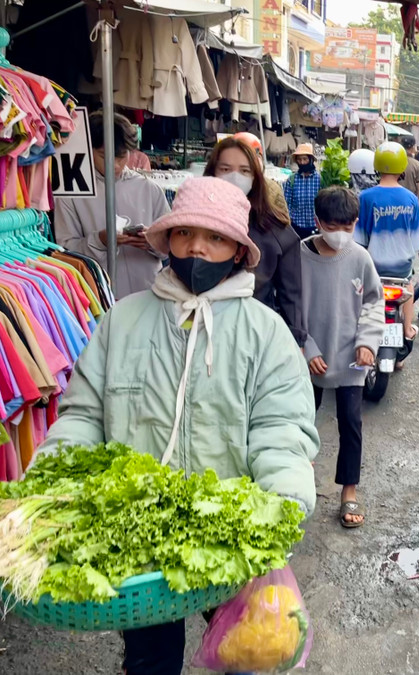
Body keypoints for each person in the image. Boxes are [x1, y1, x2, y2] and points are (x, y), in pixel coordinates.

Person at [38, 176, 319, 675]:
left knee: (247, 657)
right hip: (140, 546)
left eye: (214, 238)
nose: (197, 248)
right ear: (167, 240)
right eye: (185, 233)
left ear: (237, 251)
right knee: (149, 663)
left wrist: (284, 499)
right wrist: (52, 480)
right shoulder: (120, 322)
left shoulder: (266, 333)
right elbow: (83, 415)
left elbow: (281, 428)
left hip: (229, 543)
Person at [302, 186, 384, 528]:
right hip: (309, 358)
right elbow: (286, 307)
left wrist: (367, 342)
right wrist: (306, 347)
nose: (340, 234)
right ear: (318, 221)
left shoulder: (360, 257)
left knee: (352, 424)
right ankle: (296, 486)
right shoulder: (298, 256)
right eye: (333, 226)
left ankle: (349, 492)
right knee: (299, 424)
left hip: (351, 358)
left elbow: (373, 302)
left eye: (348, 227)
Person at [55, 111, 170, 297]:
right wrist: (100, 240)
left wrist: (152, 241)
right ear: (88, 149)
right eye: (104, 155)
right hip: (97, 297)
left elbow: (171, 247)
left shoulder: (150, 189)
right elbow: (66, 251)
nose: (115, 165)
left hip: (149, 294)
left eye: (122, 156)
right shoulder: (71, 194)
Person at [204, 137, 305, 347]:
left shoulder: (276, 233)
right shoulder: (194, 223)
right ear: (212, 172)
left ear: (256, 177)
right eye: (225, 168)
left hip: (253, 339)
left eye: (244, 170)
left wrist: (296, 344)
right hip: (199, 332)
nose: (234, 176)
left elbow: (291, 298)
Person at [355, 141, 419, 344]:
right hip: (401, 268)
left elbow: (359, 239)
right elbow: (416, 240)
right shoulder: (411, 198)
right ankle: (408, 328)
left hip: (374, 267)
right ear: (402, 166)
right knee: (408, 285)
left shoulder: (365, 197)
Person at [284, 143, 322, 239]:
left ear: (311, 160)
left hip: (315, 227)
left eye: (305, 159)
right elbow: (286, 203)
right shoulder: (292, 180)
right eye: (299, 159)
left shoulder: (320, 179)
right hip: (296, 227)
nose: (302, 162)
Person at [398, 135, 419, 223]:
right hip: (410, 204)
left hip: (393, 202)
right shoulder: (417, 165)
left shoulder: (394, 162)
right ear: (413, 147)